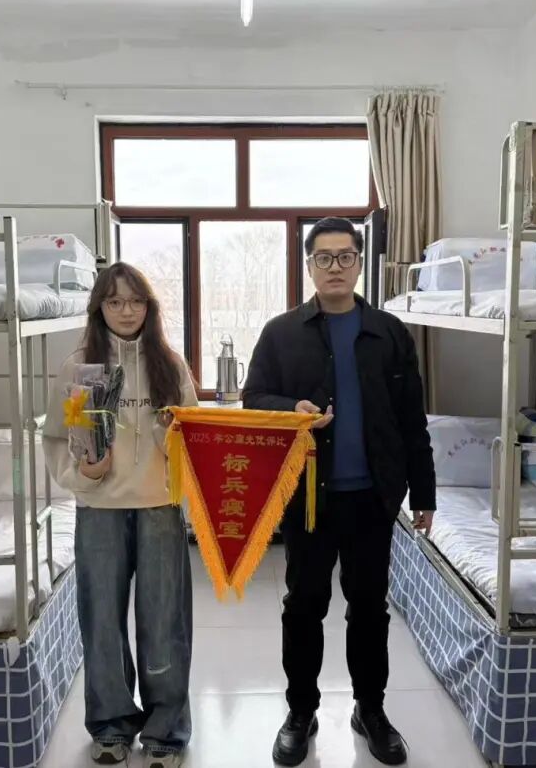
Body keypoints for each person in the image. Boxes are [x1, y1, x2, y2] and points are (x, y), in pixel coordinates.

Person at [243, 217, 436, 766]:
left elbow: (412, 420)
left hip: (373, 498)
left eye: (345, 257)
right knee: (304, 606)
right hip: (307, 498)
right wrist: (292, 409)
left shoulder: (390, 333)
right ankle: (300, 712)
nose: (335, 267)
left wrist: (424, 493)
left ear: (359, 263)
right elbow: (253, 398)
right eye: (323, 258)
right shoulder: (281, 333)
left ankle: (370, 709)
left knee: (370, 609)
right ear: (309, 266)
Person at [43, 262, 198, 768]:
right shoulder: (77, 368)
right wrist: (85, 471)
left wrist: (169, 435)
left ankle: (165, 731)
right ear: (99, 308)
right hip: (100, 509)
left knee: (164, 620)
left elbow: (194, 439)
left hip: (159, 506)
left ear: (148, 307)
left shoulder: (170, 365)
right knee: (102, 621)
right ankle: (110, 725)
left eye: (135, 301)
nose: (126, 311)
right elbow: (56, 439)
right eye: (115, 301)